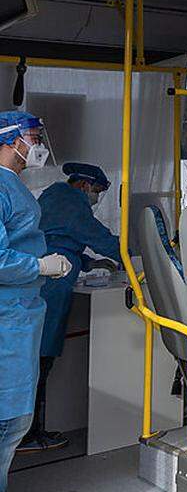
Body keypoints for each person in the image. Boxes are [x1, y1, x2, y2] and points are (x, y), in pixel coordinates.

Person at [20, 163, 120, 453]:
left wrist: (89, 263)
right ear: (85, 185)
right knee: (41, 360)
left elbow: (60, 240)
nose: (97, 197)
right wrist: (138, 251)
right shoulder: (70, 202)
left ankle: (29, 431)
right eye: (98, 191)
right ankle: (29, 435)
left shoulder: (52, 198)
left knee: (36, 360)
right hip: (50, 289)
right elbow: (99, 239)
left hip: (43, 284)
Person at [0, 111, 72, 492]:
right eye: (32, 137)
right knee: (7, 422)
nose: (37, 145)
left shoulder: (13, 186)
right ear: (11, 140)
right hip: (6, 318)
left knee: (11, 422)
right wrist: (39, 265)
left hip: (19, 314)